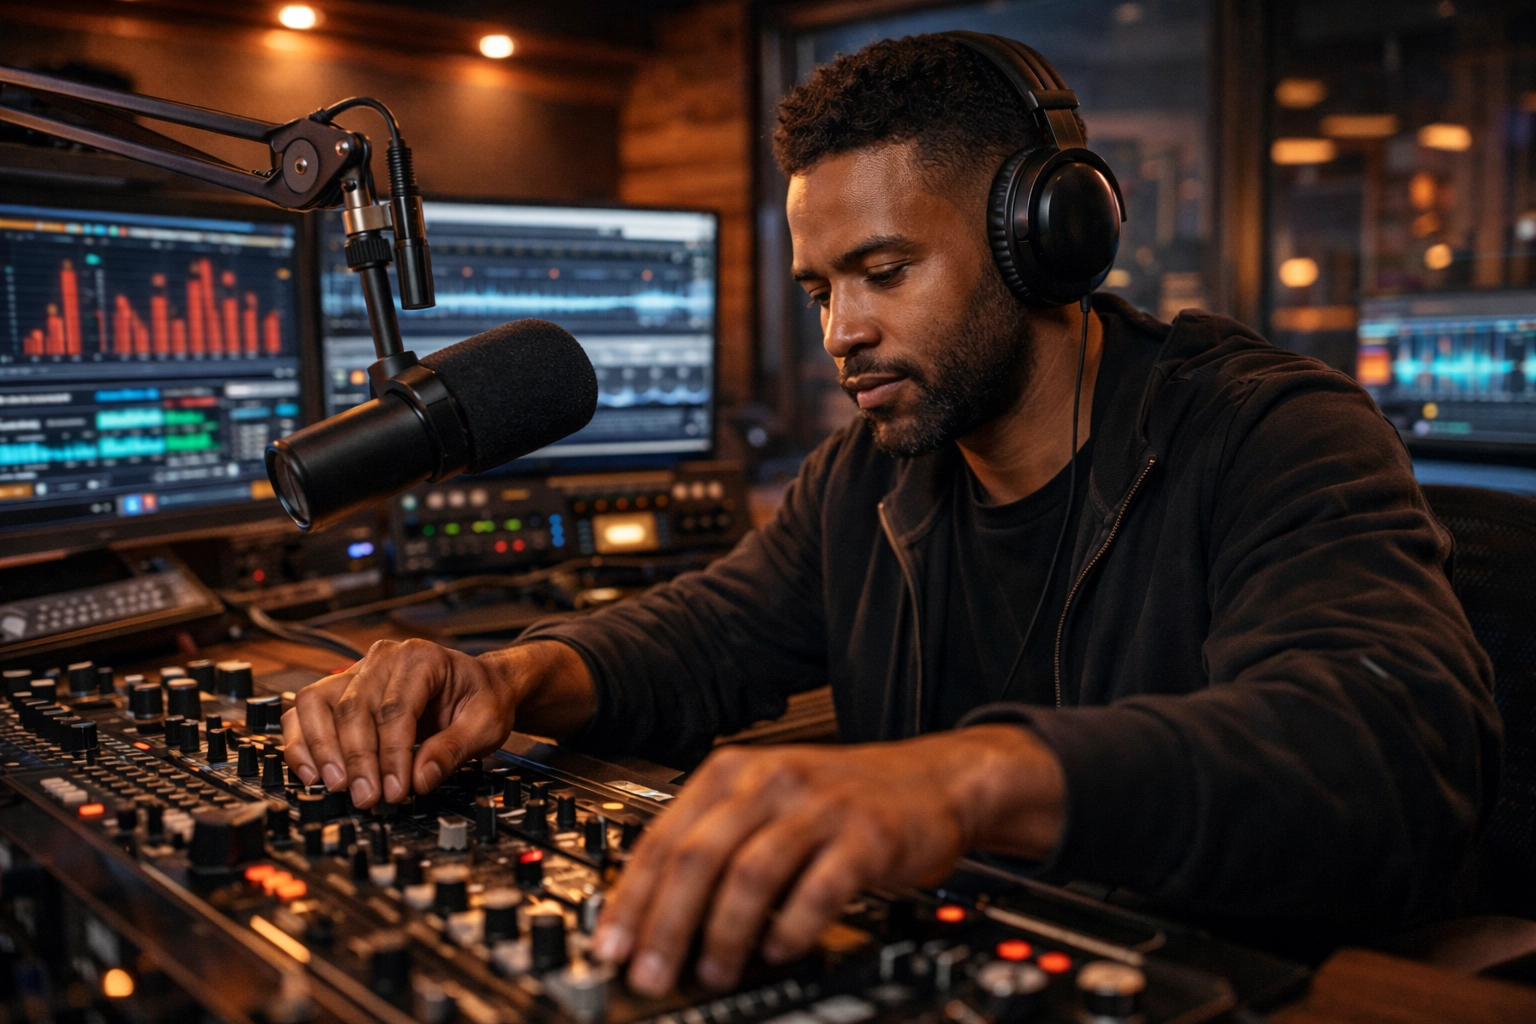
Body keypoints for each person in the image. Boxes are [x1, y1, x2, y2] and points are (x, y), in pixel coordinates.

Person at [283, 34, 1499, 995]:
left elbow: (1383, 745)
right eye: (820, 287)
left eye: (883, 271)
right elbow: (714, 631)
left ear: (1044, 244)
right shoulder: (871, 475)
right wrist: (509, 679)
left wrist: (964, 781)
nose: (839, 331)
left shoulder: (1273, 430)